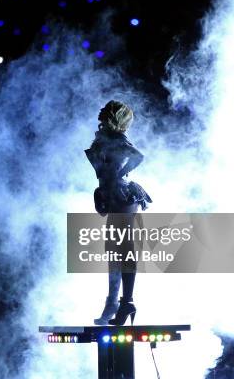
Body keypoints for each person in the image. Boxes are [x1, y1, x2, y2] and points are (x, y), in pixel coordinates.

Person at [85, 100, 152, 326]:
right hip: (112, 195)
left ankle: (124, 302)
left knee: (122, 249)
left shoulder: (117, 139)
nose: (100, 111)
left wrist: (120, 174)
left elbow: (138, 156)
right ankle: (117, 302)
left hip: (122, 197)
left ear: (112, 116)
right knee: (114, 251)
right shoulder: (105, 138)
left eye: (105, 109)